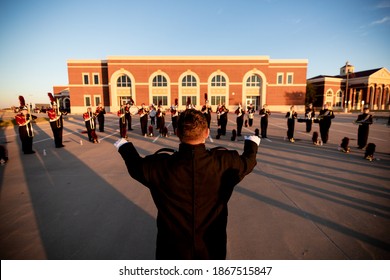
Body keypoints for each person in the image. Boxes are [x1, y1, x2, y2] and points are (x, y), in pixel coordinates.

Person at [114, 109, 260, 259]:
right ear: (207, 132)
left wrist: (123, 145)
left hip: (171, 251)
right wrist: (252, 143)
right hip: (212, 249)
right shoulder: (225, 162)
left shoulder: (158, 166)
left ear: (177, 133)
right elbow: (248, 162)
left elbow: (135, 165)